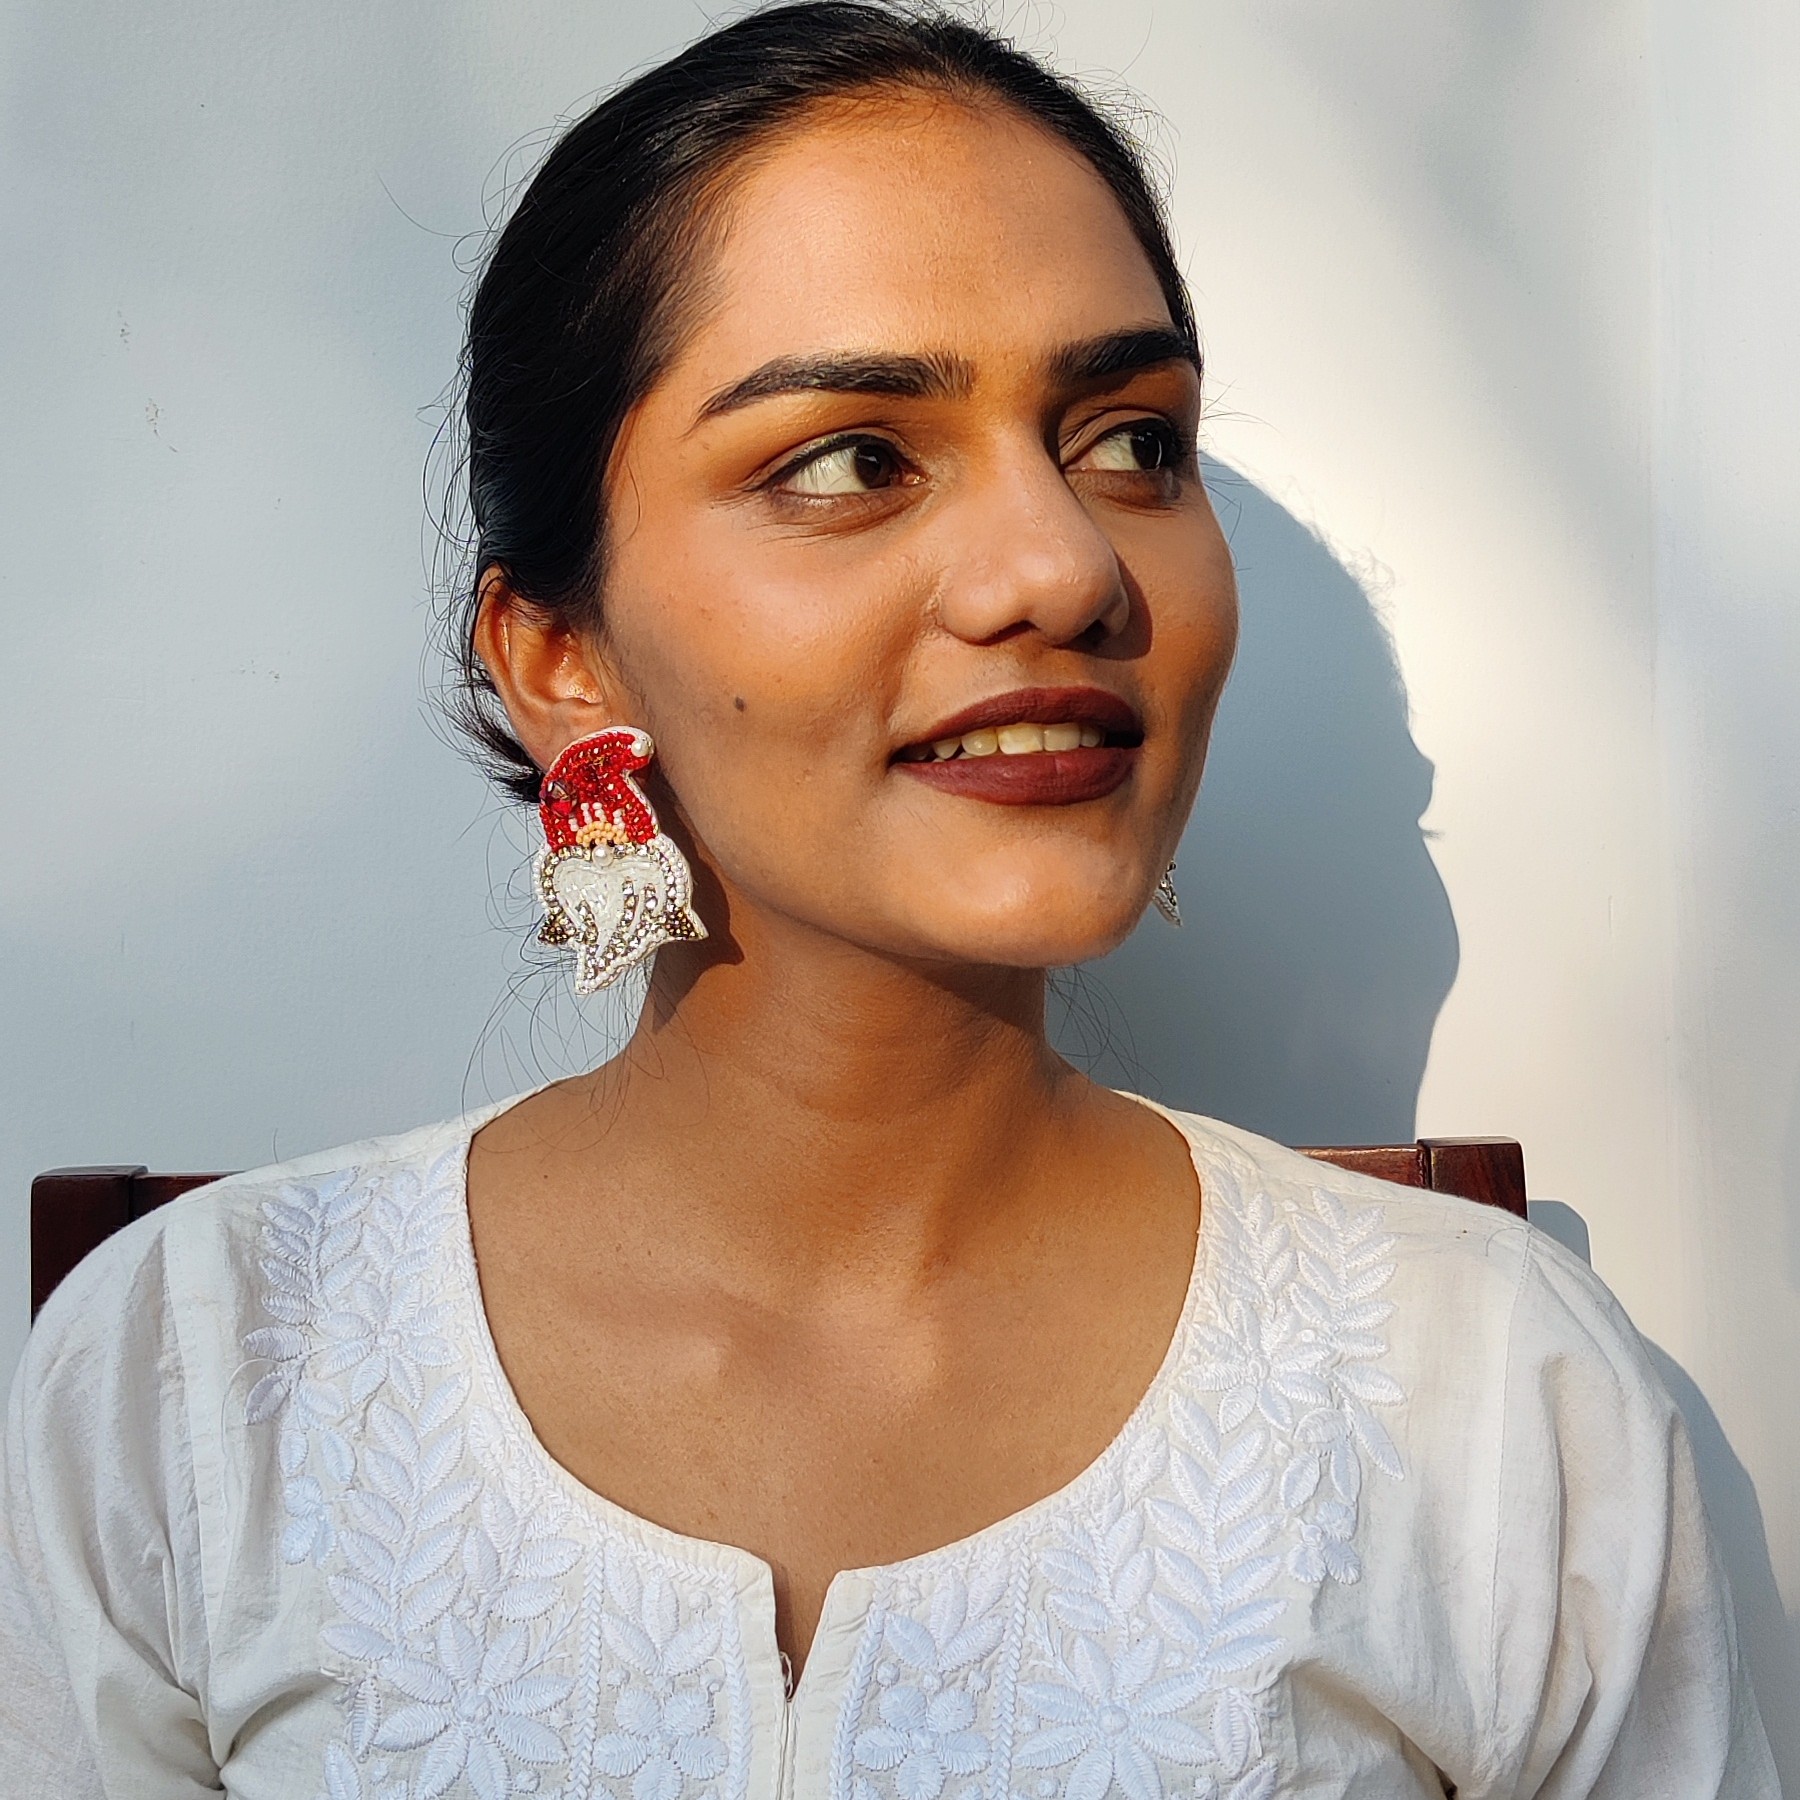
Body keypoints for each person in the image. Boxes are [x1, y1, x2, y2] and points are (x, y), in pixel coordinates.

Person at [0, 5, 1777, 1795]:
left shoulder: (1486, 1399)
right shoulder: (205, 1379)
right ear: (557, 657)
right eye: (854, 458)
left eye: (1133, 441)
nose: (1063, 568)